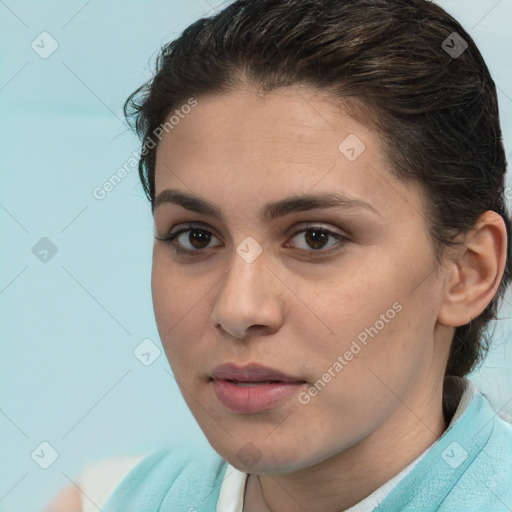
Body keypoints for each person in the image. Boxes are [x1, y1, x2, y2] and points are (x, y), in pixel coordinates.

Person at [46, 0, 512, 510]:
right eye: (195, 237)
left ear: (468, 271)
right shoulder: (105, 500)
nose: (238, 310)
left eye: (316, 238)